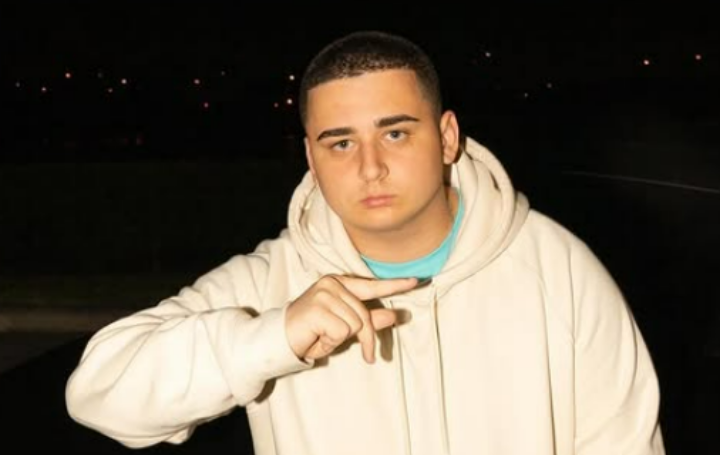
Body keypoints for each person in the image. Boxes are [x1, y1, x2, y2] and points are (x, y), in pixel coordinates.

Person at [65, 30, 665, 455]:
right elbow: (98, 394)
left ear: (447, 136)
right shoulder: (271, 283)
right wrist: (273, 338)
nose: (370, 167)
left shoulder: (559, 272)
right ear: (311, 157)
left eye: (395, 133)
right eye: (341, 143)